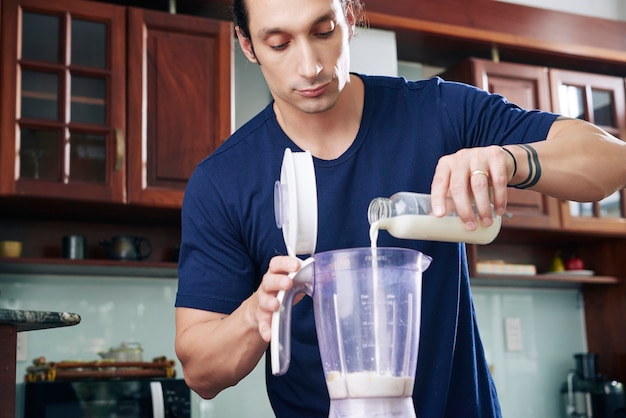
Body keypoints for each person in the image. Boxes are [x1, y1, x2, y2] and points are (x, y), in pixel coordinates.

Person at [174, 0, 626, 416]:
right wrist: (258, 312)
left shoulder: (439, 111)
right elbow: (201, 372)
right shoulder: (223, 182)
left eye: (324, 30)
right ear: (248, 45)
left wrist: (511, 159)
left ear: (349, 18)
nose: (310, 66)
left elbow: (611, 159)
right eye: (280, 43)